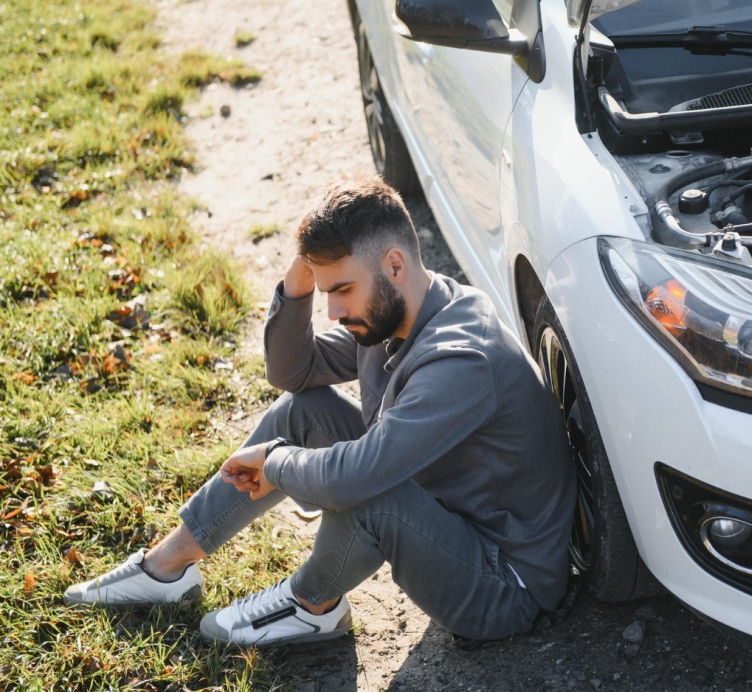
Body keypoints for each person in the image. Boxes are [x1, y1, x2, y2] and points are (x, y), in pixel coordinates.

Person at [64, 177, 576, 647]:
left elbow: (357, 479)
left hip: (503, 583)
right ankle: (167, 567)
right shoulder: (398, 310)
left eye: (342, 290)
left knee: (368, 489)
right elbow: (295, 372)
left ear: (394, 265)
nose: (332, 311)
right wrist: (299, 282)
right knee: (304, 411)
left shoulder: (461, 359)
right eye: (326, 292)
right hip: (447, 511)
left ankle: (314, 605)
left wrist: (275, 462)